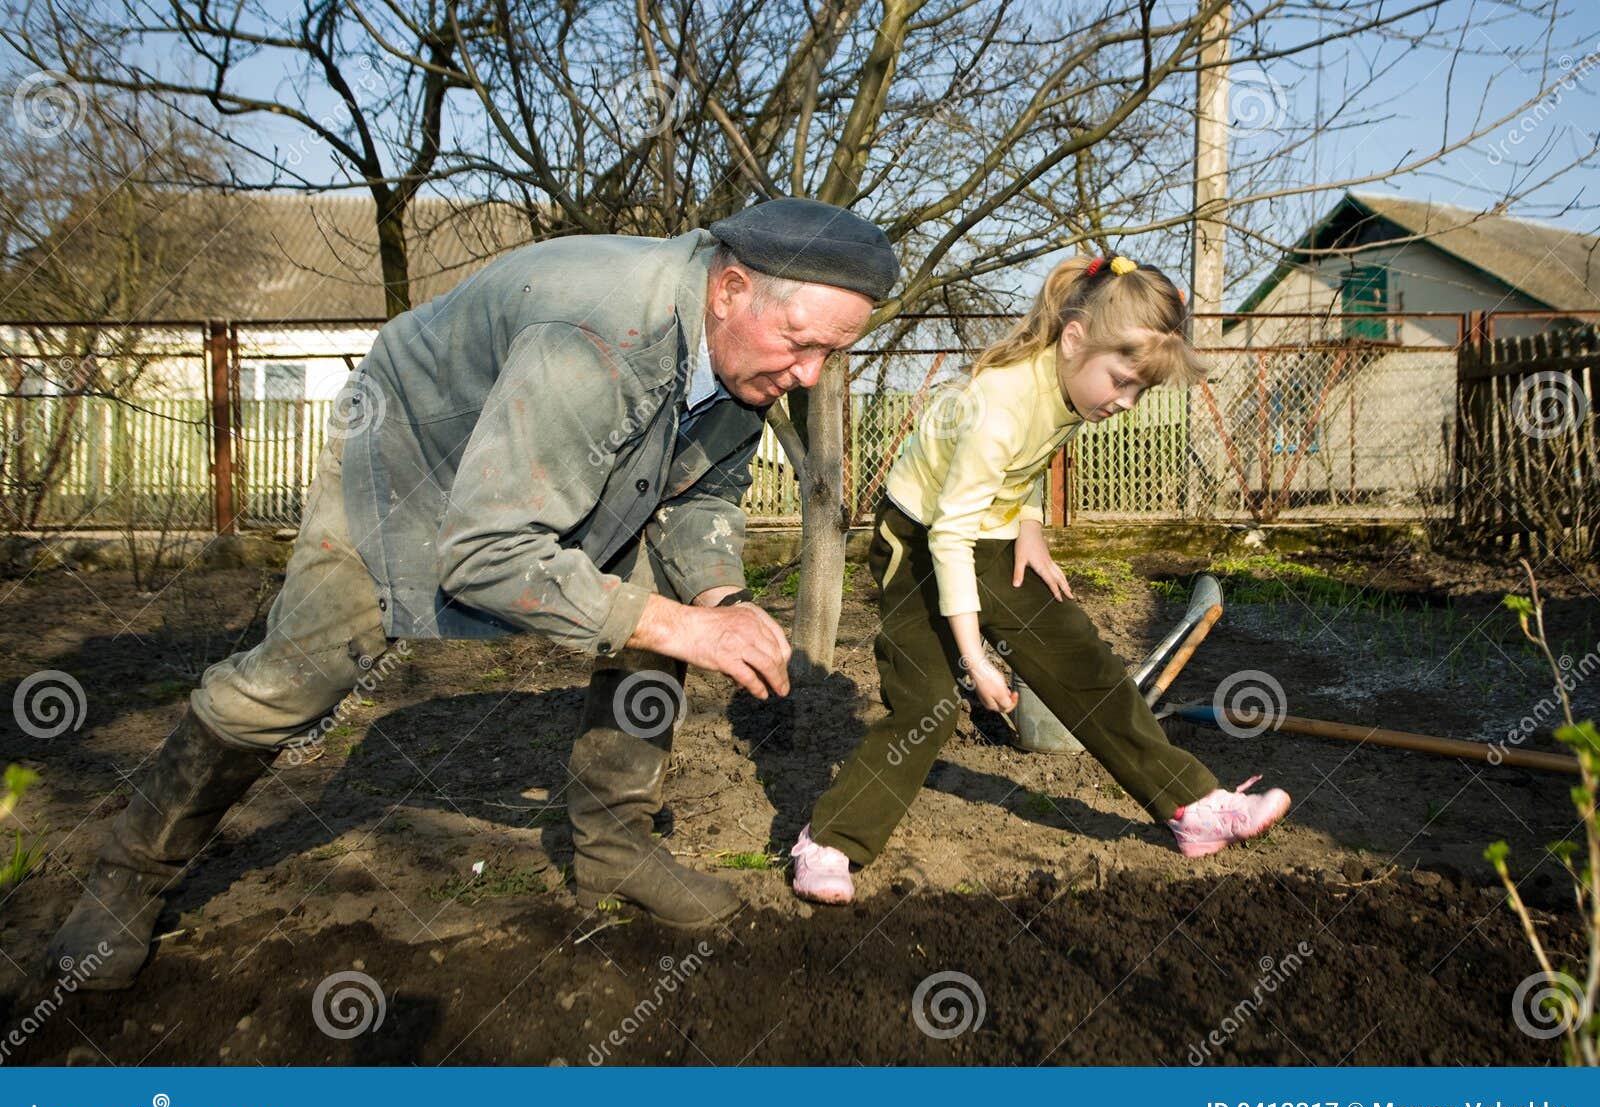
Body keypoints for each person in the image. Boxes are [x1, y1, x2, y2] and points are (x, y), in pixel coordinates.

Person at [47, 198, 897, 987]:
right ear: (732, 288)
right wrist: (673, 620)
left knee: (667, 614)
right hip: (411, 460)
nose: (813, 375)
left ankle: (613, 844)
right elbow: (484, 551)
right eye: (801, 341)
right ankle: (128, 874)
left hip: (572, 463)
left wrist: (715, 601)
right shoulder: (598, 339)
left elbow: (700, 490)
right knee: (297, 675)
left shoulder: (743, 362)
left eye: (834, 352)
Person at [789, 253, 1290, 905]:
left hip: (990, 531)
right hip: (918, 537)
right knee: (930, 705)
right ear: (1075, 339)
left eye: (1141, 390)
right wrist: (975, 655)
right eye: (1123, 381)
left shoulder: (1071, 383)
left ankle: (1192, 806)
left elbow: (1028, 459)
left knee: (1081, 660)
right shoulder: (997, 402)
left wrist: (1030, 529)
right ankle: (829, 840)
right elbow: (950, 532)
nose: (1126, 402)